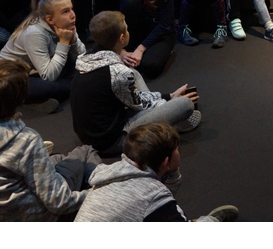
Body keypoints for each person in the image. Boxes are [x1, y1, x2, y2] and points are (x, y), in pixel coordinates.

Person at [70, 11, 200, 157]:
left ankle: (164, 120)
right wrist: (169, 99)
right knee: (185, 104)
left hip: (92, 132)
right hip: (111, 141)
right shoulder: (118, 72)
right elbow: (139, 104)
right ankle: (167, 124)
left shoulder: (84, 58)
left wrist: (169, 96)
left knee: (134, 74)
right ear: (122, 38)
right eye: (126, 29)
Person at [74, 122, 239, 222]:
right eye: (176, 149)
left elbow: (165, 193)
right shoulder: (152, 196)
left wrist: (171, 169)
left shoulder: (111, 173)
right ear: (165, 161)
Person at [0, 59, 101, 221]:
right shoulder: (25, 140)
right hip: (35, 217)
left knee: (58, 158)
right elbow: (60, 203)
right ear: (22, 99)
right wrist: (93, 195)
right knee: (85, 151)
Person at [0, 0, 86, 114]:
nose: (73, 15)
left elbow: (83, 59)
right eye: (65, 11)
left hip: (39, 68)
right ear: (50, 19)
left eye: (72, 9)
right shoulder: (34, 33)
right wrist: (64, 43)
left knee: (76, 70)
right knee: (47, 86)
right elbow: (48, 76)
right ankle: (28, 100)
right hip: (13, 76)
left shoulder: (66, 24)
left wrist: (74, 41)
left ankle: (56, 94)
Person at [120, 0, 176, 80]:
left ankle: (162, 51)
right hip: (137, 32)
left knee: (150, 67)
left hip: (161, 34)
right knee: (130, 4)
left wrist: (140, 49)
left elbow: (165, 25)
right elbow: (121, 20)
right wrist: (121, 50)